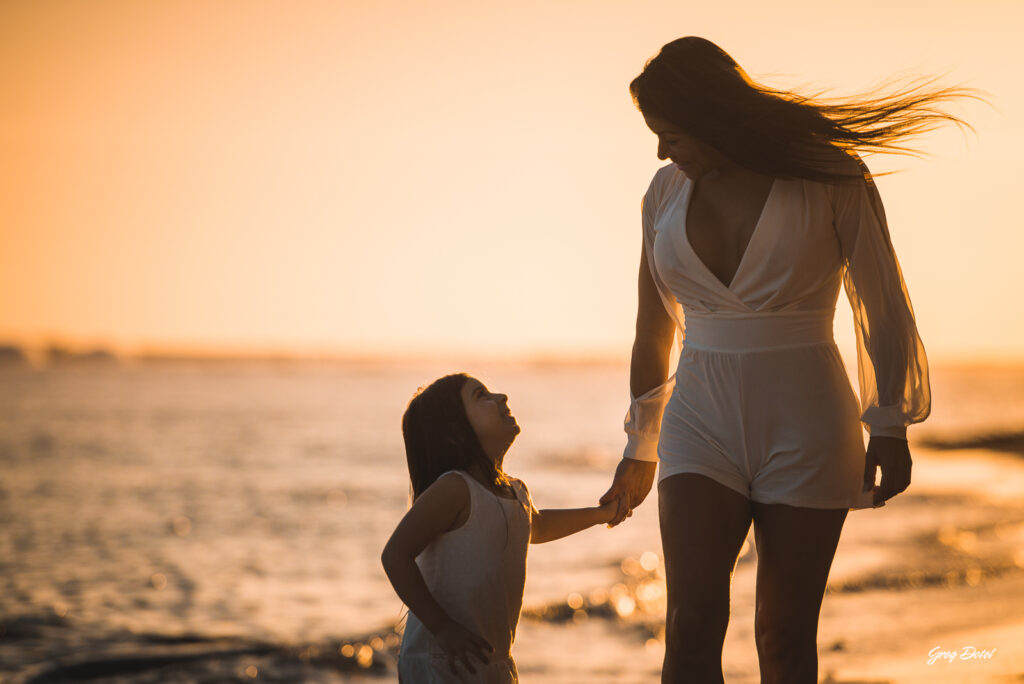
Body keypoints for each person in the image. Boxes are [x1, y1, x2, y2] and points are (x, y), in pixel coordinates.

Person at [599, 37, 984, 683]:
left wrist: (888, 423)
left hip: (806, 422)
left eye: (669, 133)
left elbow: (881, 306)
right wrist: (641, 448)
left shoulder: (830, 174)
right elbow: (651, 329)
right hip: (699, 420)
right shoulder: (663, 194)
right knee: (689, 626)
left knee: (783, 639)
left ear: (710, 117)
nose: (662, 151)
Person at [382, 373, 624, 683]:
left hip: (490, 658)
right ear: (455, 431)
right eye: (481, 395)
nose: (501, 397)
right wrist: (442, 627)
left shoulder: (515, 491)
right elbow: (395, 554)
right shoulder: (455, 488)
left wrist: (600, 514)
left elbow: (536, 525)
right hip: (444, 659)